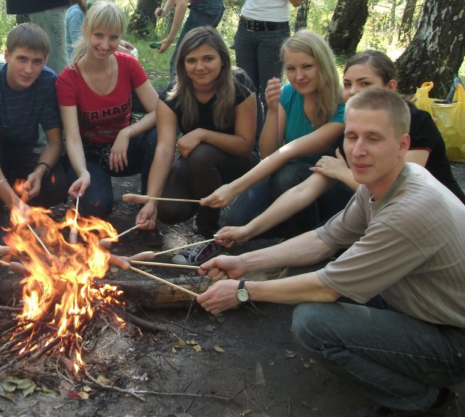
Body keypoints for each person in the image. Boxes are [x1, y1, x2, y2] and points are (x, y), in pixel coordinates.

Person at [198, 88, 465, 417]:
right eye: (351, 136)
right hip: (425, 306)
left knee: (312, 323)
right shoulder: (385, 182)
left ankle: (427, 401)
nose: (358, 150)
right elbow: (324, 239)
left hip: (454, 341)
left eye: (373, 138)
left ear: (403, 145)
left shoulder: (407, 210)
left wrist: (242, 291)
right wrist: (242, 262)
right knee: (328, 277)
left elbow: (327, 286)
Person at [216, 50, 465, 245]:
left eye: (365, 84)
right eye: (348, 84)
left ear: (390, 87)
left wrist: (342, 173)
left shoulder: (415, 122)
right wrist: (247, 230)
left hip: (439, 225)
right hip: (380, 215)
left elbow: (402, 195)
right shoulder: (349, 127)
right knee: (316, 229)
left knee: (331, 238)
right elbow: (305, 190)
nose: (354, 92)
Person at [204, 30, 347, 241]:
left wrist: (233, 188)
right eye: (291, 68)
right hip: (286, 176)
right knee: (237, 220)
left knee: (286, 176)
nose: (299, 76)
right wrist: (271, 110)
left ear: (323, 65)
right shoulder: (289, 93)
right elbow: (269, 151)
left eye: (307, 66)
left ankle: (305, 244)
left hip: (330, 185)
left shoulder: (342, 105)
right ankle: (289, 233)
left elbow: (290, 151)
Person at [132, 27, 259, 263]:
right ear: (182, 64)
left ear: (222, 59)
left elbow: (245, 146)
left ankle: (207, 236)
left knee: (201, 154)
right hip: (199, 165)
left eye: (208, 58)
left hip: (240, 164)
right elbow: (164, 149)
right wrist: (151, 200)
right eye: (191, 60)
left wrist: (202, 133)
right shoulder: (173, 94)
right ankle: (203, 210)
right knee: (168, 210)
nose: (200, 67)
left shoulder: (239, 85)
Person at [0, 23, 70, 242]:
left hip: (21, 151)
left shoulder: (47, 81)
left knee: (58, 184)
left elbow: (55, 142)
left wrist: (39, 171)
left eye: (37, 62)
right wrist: (12, 201)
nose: (29, 69)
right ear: (7, 55)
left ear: (45, 61)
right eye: (22, 59)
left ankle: (10, 197)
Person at [57, 2, 160, 221]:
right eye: (99, 36)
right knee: (98, 207)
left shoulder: (128, 64)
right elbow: (72, 139)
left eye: (113, 37)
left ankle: (148, 206)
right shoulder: (68, 79)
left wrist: (127, 133)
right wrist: (83, 172)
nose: (105, 44)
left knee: (158, 136)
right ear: (86, 32)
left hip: (125, 149)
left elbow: (159, 111)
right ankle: (87, 195)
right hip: (90, 154)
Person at [66, 0, 136, 61]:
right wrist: (120, 50)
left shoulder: (89, 12)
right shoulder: (75, 13)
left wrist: (120, 42)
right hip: (76, 62)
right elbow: (79, 45)